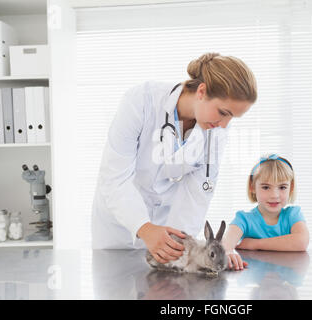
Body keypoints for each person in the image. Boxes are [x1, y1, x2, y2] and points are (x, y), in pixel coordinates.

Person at [91, 53, 258, 265]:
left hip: (167, 228)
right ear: (202, 91)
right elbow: (114, 178)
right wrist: (145, 228)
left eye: (232, 117)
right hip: (118, 232)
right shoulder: (141, 102)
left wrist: (179, 250)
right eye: (223, 112)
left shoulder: (216, 129)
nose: (224, 124)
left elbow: (197, 195)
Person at [221, 154, 309, 270]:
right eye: (266, 187)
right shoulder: (244, 219)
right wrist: (226, 252)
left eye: (282, 187)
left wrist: (255, 244)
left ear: (291, 188)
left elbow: (301, 242)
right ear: (252, 187)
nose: (274, 195)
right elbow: (226, 244)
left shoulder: (293, 215)